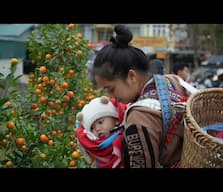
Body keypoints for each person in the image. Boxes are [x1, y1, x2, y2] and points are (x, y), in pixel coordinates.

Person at [92, 24, 194, 168]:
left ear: (131, 76)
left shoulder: (139, 117)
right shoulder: (172, 80)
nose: (111, 97)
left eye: (111, 88)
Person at [75, 96, 127, 168]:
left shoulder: (127, 135)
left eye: (100, 122)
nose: (97, 129)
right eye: (92, 128)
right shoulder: (95, 149)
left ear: (116, 120)